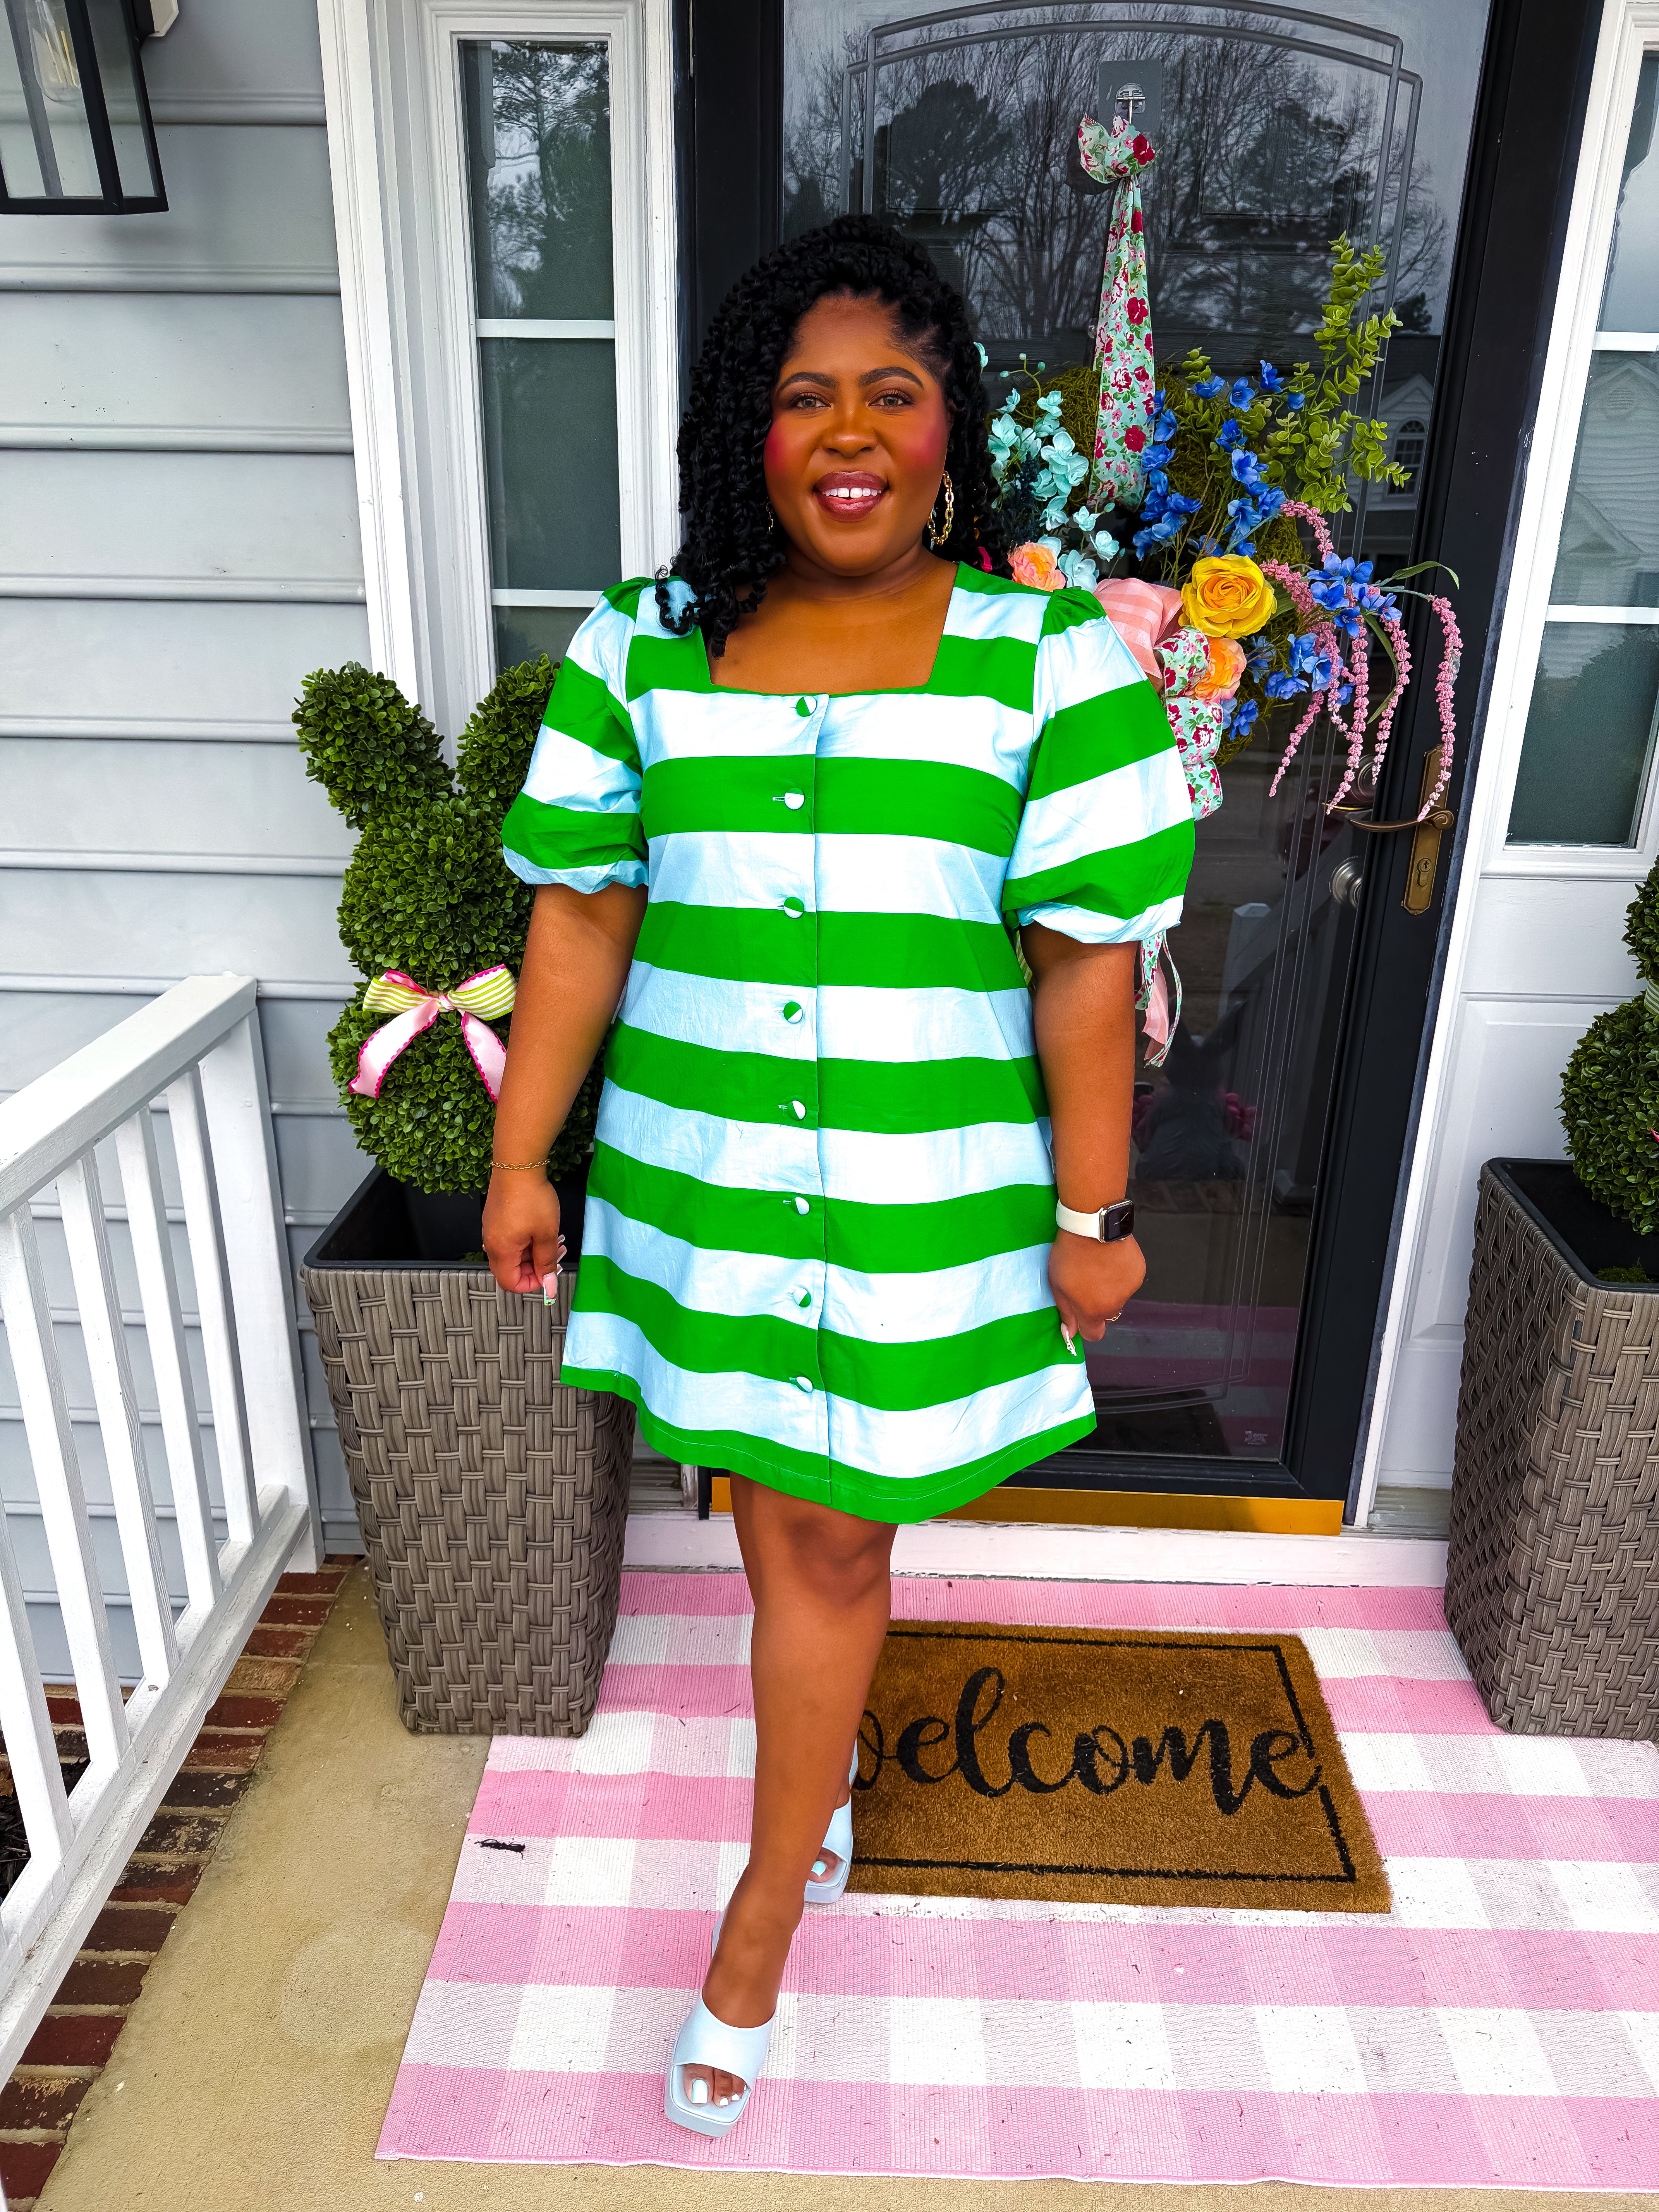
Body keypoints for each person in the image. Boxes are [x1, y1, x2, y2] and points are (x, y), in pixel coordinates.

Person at [482, 215, 1194, 2138]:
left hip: (920, 1207)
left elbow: (1085, 963)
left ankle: (760, 1913)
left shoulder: (1047, 658)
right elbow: (582, 922)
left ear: (950, 426)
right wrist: (524, 1154)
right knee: (789, 1523)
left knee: (831, 1540)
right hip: (703, 1187)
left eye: (895, 390)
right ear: (752, 429)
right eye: (807, 397)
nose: (852, 431)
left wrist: (1097, 1217)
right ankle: (818, 1785)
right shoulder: (642, 644)